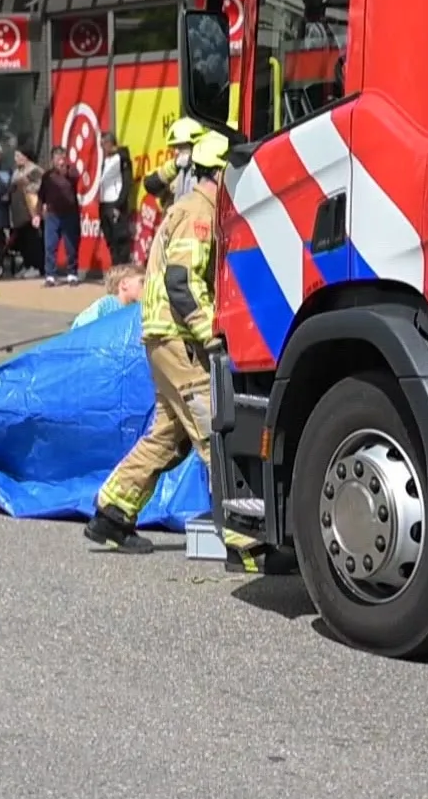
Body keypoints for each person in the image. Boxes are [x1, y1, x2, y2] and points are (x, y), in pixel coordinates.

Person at [84, 128, 267, 565]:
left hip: (166, 338)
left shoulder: (191, 208)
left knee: (169, 437)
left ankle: (112, 513)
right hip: (180, 339)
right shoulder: (199, 213)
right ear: (219, 173)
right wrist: (211, 339)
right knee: (215, 431)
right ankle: (245, 542)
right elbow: (181, 282)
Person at [37, 146, 83, 287]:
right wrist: (37, 214)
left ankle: (72, 274)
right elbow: (41, 197)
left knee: (71, 245)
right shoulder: (47, 176)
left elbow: (75, 179)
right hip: (52, 215)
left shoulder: (72, 172)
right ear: (52, 160)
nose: (60, 161)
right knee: (50, 245)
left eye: (62, 157)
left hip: (70, 214)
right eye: (57, 158)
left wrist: (65, 171)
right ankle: (50, 275)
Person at [143, 118, 209, 203]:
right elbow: (150, 184)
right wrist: (174, 166)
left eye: (180, 146)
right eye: (174, 147)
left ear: (195, 145)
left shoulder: (208, 173)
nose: (176, 151)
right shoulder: (179, 166)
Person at [97, 131, 134, 265]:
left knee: (120, 238)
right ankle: (115, 266)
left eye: (103, 144)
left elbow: (127, 182)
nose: (102, 147)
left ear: (110, 143)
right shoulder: (105, 160)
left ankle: (122, 267)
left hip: (115, 203)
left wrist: (119, 204)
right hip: (104, 204)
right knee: (110, 239)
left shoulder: (121, 157)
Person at [71, 263, 144, 330]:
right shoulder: (107, 306)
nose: (146, 287)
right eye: (142, 282)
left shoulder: (135, 310)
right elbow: (82, 329)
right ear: (124, 284)